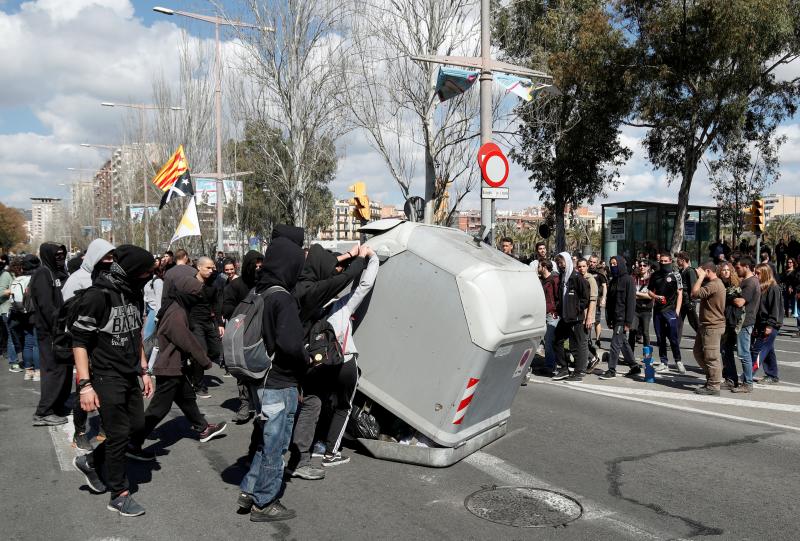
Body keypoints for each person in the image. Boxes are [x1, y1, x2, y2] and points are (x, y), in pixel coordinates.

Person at [71, 245, 156, 517]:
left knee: (136, 427)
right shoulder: (97, 296)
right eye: (145, 273)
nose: (149, 277)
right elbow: (80, 342)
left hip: (130, 372)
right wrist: (85, 385)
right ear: (131, 271)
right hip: (106, 375)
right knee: (118, 433)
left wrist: (144, 369)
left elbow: (136, 332)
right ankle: (119, 494)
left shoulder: (134, 292)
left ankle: (91, 461)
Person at [238, 231, 308, 522]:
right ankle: (264, 503)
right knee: (276, 447)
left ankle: (249, 490)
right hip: (280, 383)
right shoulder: (283, 299)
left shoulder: (259, 293)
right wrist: (305, 363)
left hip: (260, 380)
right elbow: (291, 346)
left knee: (267, 442)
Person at [286, 243, 367, 480]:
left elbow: (330, 270)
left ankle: (293, 454)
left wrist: (349, 254)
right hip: (308, 357)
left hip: (294, 352)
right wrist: (361, 258)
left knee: (308, 404)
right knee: (311, 405)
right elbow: (346, 278)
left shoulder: (298, 283)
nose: (336, 270)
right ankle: (298, 460)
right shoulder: (313, 292)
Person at [127, 274, 226, 461]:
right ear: (187, 292)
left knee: (186, 398)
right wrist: (204, 360)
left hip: (175, 365)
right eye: (196, 293)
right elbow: (186, 340)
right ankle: (133, 443)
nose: (198, 296)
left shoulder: (176, 306)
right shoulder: (176, 312)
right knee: (158, 409)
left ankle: (203, 428)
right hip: (169, 365)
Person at [316, 245, 379, 466]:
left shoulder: (308, 304)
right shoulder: (341, 306)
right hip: (344, 361)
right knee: (344, 406)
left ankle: (318, 443)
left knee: (323, 403)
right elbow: (365, 285)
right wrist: (372, 259)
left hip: (319, 364)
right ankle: (331, 453)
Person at [61, 238, 115, 450]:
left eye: (112, 257)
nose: (109, 261)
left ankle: (105, 427)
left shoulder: (109, 278)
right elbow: (66, 313)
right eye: (105, 257)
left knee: (105, 388)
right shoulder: (78, 279)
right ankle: (80, 431)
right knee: (83, 387)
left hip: (105, 345)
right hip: (83, 345)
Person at [222, 250, 264, 423]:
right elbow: (226, 308)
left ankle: (261, 407)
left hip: (260, 337)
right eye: (255, 266)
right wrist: (243, 313)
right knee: (242, 373)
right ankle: (245, 404)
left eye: (261, 266)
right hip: (241, 336)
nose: (258, 269)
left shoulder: (266, 284)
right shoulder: (236, 285)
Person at [31, 242, 70, 426]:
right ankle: (44, 411)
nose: (60, 257)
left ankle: (56, 406)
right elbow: (47, 307)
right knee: (54, 370)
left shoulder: (59, 272)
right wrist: (59, 326)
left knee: (63, 369)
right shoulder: (43, 273)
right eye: (57, 255)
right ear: (47, 255)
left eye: (62, 253)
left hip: (60, 330)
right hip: (49, 332)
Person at [551, 252, 589, 381]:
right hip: (565, 317)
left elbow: (585, 297)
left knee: (578, 344)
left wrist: (577, 309)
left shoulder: (577, 277)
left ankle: (579, 372)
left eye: (562, 263)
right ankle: (563, 368)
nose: (560, 265)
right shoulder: (562, 278)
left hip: (576, 318)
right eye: (558, 263)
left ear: (567, 262)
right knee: (557, 340)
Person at [599, 255, 638, 379]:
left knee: (615, 343)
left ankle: (611, 370)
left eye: (615, 264)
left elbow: (631, 302)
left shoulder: (628, 280)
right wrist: (609, 318)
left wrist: (628, 322)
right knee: (623, 343)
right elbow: (610, 302)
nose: (613, 266)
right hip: (615, 318)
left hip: (623, 319)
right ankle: (634, 366)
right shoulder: (613, 281)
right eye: (611, 264)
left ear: (621, 264)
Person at [689, 262, 726, 395]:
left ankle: (714, 385)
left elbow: (695, 293)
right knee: (698, 352)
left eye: (701, 272)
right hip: (706, 325)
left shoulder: (714, 284)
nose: (698, 275)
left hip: (713, 326)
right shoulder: (713, 284)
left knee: (711, 357)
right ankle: (712, 377)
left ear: (708, 271)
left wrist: (700, 277)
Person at [648, 251, 684, 374]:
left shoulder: (676, 275)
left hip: (671, 311)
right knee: (660, 337)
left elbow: (680, 293)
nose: (663, 263)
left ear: (670, 261)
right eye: (661, 261)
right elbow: (649, 292)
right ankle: (664, 362)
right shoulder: (655, 275)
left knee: (673, 337)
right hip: (658, 311)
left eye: (665, 261)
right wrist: (656, 297)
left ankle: (678, 361)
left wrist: (677, 311)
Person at [8, 256, 41, 381]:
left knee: (28, 343)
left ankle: (28, 371)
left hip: (21, 314)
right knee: (37, 344)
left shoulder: (17, 279)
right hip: (34, 313)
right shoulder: (34, 279)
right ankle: (38, 372)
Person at [751, 263, 782, 385]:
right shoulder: (761, 287)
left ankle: (747, 375)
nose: (755, 275)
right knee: (769, 350)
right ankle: (772, 375)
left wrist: (770, 325)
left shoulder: (773, 288)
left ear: (765, 274)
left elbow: (775, 308)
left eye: (758, 273)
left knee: (758, 351)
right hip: (761, 324)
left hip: (770, 325)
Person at [719, 262, 743, 390]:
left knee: (726, 350)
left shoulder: (735, 285)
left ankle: (732, 379)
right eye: (723, 270)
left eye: (728, 270)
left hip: (731, 321)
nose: (726, 272)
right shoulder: (718, 284)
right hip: (720, 319)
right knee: (722, 350)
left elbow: (737, 302)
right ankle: (727, 376)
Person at [576, 259, 600, 372]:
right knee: (579, 339)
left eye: (584, 266)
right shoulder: (577, 278)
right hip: (578, 314)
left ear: (587, 267)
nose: (581, 268)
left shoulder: (590, 279)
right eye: (579, 266)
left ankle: (592, 358)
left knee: (583, 340)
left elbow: (593, 299)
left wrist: (589, 317)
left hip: (587, 315)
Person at [538, 260, 559, 375]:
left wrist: (555, 310)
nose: (537, 268)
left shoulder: (554, 279)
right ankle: (550, 364)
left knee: (550, 340)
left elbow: (558, 296)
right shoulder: (543, 280)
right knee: (547, 340)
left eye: (539, 266)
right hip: (544, 313)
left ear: (544, 267)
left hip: (552, 314)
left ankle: (550, 366)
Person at [0, 256, 20, 371]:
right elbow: (0, 291)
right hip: (6, 309)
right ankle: (13, 362)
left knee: (16, 335)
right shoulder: (6, 275)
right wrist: (12, 291)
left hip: (17, 309)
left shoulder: (19, 276)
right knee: (11, 336)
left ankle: (15, 356)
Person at [629, 260, 653, 356]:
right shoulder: (634, 278)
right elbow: (631, 293)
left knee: (645, 333)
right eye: (640, 265)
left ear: (648, 267)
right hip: (635, 309)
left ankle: (647, 356)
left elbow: (650, 296)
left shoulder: (651, 279)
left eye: (644, 265)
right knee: (632, 331)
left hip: (646, 310)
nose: (642, 267)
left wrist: (637, 294)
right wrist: (643, 294)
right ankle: (630, 355)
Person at [676, 252, 699, 335]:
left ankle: (704, 340)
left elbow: (694, 287)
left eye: (678, 259)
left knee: (694, 323)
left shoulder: (690, 271)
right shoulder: (681, 271)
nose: (676, 261)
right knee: (678, 323)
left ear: (683, 260)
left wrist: (692, 302)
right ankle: (675, 345)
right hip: (681, 302)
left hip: (688, 302)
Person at [588, 255, 607, 350]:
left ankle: (598, 339)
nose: (592, 264)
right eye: (591, 261)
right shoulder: (585, 270)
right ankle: (588, 340)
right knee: (588, 320)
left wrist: (603, 298)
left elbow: (604, 286)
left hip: (596, 300)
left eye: (594, 262)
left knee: (596, 321)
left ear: (597, 262)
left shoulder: (600, 272)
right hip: (587, 300)